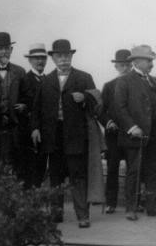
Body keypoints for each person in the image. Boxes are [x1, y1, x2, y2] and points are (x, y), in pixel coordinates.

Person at [31, 39, 96, 228]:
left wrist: (85, 97)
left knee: (78, 175)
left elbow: (97, 103)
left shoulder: (84, 78)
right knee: (56, 176)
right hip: (53, 136)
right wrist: (35, 128)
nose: (63, 59)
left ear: (71, 57)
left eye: (67, 56)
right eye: (59, 56)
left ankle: (83, 215)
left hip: (76, 135)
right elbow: (36, 109)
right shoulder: (46, 81)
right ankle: (56, 214)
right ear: (53, 58)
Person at [115, 45, 156, 221]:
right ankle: (130, 208)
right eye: (148, 61)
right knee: (134, 171)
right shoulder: (124, 81)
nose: (151, 64)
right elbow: (119, 108)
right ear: (137, 61)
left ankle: (152, 207)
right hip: (136, 136)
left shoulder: (154, 81)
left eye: (151, 61)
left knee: (153, 171)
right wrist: (132, 127)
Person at [0, 32, 27, 178]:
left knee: (12, 163)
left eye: (7, 48)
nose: (4, 52)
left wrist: (24, 105)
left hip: (13, 126)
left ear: (11, 50)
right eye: (0, 48)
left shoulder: (20, 72)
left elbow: (28, 96)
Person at [98, 49, 131, 213]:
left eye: (127, 65)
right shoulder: (109, 86)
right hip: (114, 135)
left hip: (132, 134)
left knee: (133, 168)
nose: (124, 68)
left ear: (131, 66)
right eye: (121, 65)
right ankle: (111, 202)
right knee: (112, 168)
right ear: (116, 66)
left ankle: (134, 202)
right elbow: (100, 111)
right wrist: (108, 122)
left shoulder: (137, 85)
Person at [17, 43, 49, 188]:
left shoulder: (50, 81)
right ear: (30, 60)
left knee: (42, 165)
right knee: (28, 165)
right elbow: (18, 104)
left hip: (46, 130)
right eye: (36, 58)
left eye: (43, 58)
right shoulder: (23, 79)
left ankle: (37, 195)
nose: (40, 61)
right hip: (27, 130)